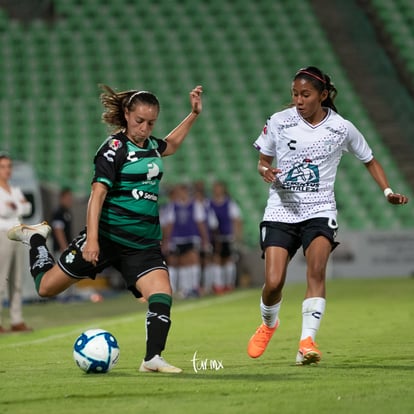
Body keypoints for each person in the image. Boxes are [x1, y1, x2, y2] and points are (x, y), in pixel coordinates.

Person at [8, 85, 203, 373]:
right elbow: (96, 196)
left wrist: (193, 114)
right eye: (139, 121)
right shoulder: (114, 150)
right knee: (45, 287)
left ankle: (152, 359)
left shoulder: (150, 145)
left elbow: (171, 145)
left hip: (143, 243)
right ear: (126, 115)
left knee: (162, 294)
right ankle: (36, 237)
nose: (145, 129)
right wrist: (93, 241)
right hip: (108, 237)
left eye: (151, 123)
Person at [247, 66, 409, 365]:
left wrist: (387, 191)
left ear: (322, 95)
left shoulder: (341, 127)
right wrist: (265, 171)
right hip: (281, 208)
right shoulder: (279, 122)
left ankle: (307, 341)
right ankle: (269, 324)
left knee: (316, 270)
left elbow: (369, 159)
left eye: (305, 94)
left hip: (320, 209)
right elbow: (262, 161)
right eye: (295, 94)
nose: (298, 100)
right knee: (273, 283)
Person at [0, 153, 33, 333]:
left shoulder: (14, 190)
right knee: (1, 279)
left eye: (9, 166)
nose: (7, 170)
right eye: (3, 167)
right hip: (3, 234)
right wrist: (17, 205)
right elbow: (5, 210)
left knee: (16, 279)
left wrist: (15, 206)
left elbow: (26, 207)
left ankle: (16, 319)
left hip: (17, 233)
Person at [209, 180, 242, 294]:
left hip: (227, 236)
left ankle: (229, 284)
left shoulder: (229, 202)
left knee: (228, 259)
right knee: (216, 259)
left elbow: (236, 219)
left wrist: (236, 235)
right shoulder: (209, 203)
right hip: (215, 236)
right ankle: (219, 285)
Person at [51, 188, 73, 255]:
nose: (69, 201)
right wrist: (64, 248)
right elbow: (58, 231)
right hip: (61, 250)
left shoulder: (66, 212)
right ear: (62, 198)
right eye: (67, 199)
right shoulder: (59, 213)